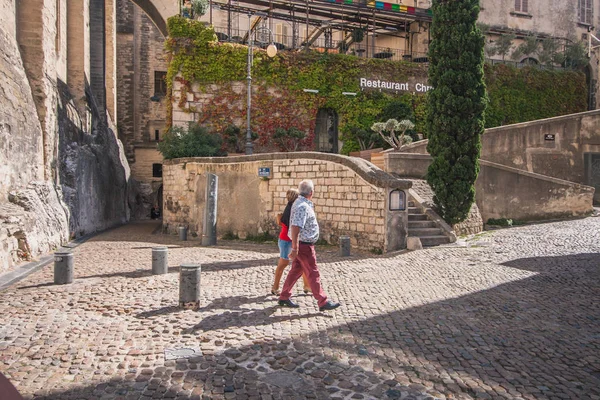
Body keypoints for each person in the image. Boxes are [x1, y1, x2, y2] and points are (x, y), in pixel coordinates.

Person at [278, 179, 341, 312]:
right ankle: (322, 301)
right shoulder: (302, 206)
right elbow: (295, 227)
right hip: (304, 246)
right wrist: (295, 248)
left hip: (302, 244)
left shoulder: (300, 203)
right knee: (313, 272)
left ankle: (284, 296)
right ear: (311, 193)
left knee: (295, 271)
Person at [271, 189, 311, 295]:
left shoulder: (290, 209)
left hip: (291, 240)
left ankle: (307, 286)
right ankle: (275, 287)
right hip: (286, 241)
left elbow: (281, 222)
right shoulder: (294, 210)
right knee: (283, 264)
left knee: (302, 264)